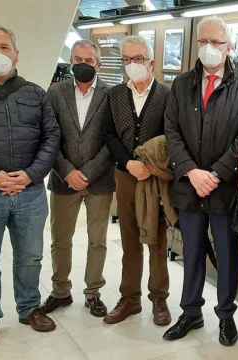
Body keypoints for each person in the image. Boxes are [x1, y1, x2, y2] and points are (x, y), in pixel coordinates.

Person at [163, 16, 238, 346]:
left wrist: (216, 173)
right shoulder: (181, 85)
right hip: (189, 186)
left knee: (227, 254)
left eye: (216, 42)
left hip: (224, 189)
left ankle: (226, 316)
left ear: (229, 47)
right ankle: (190, 312)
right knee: (190, 251)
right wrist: (192, 171)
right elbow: (172, 132)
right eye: (203, 41)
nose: (209, 48)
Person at [0, 26, 61, 347]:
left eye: (4, 46)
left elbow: (52, 137)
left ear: (17, 54)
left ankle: (29, 307)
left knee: (30, 257)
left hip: (30, 194)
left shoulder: (35, 94)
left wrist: (30, 175)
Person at [40, 40, 114, 318]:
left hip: (100, 181)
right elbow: (49, 136)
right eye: (78, 59)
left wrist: (89, 172)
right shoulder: (55, 92)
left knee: (98, 241)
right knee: (61, 240)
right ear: (71, 61)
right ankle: (60, 291)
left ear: (99, 63)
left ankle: (93, 292)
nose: (83, 64)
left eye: (89, 60)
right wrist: (67, 170)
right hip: (63, 179)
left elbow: (113, 139)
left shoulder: (111, 94)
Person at [103, 35, 171, 327]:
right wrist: (127, 162)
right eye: (127, 60)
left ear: (151, 62)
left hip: (155, 180)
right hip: (126, 176)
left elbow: (172, 136)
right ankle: (130, 298)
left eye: (138, 59)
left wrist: (150, 167)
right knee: (130, 239)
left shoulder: (168, 96)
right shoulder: (115, 95)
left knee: (156, 239)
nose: (133, 65)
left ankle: (159, 298)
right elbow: (108, 134)